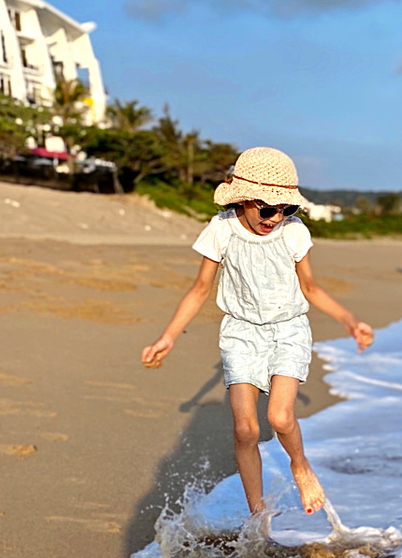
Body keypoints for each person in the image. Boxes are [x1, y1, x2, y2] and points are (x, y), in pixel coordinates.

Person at [141, 147, 375, 516]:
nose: (276, 217)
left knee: (280, 418)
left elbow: (310, 287)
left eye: (287, 208)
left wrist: (349, 321)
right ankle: (258, 516)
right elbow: (201, 288)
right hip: (241, 332)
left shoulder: (293, 232)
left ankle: (300, 464)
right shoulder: (221, 229)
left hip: (288, 328)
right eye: (267, 208)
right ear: (244, 199)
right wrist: (168, 336)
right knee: (245, 430)